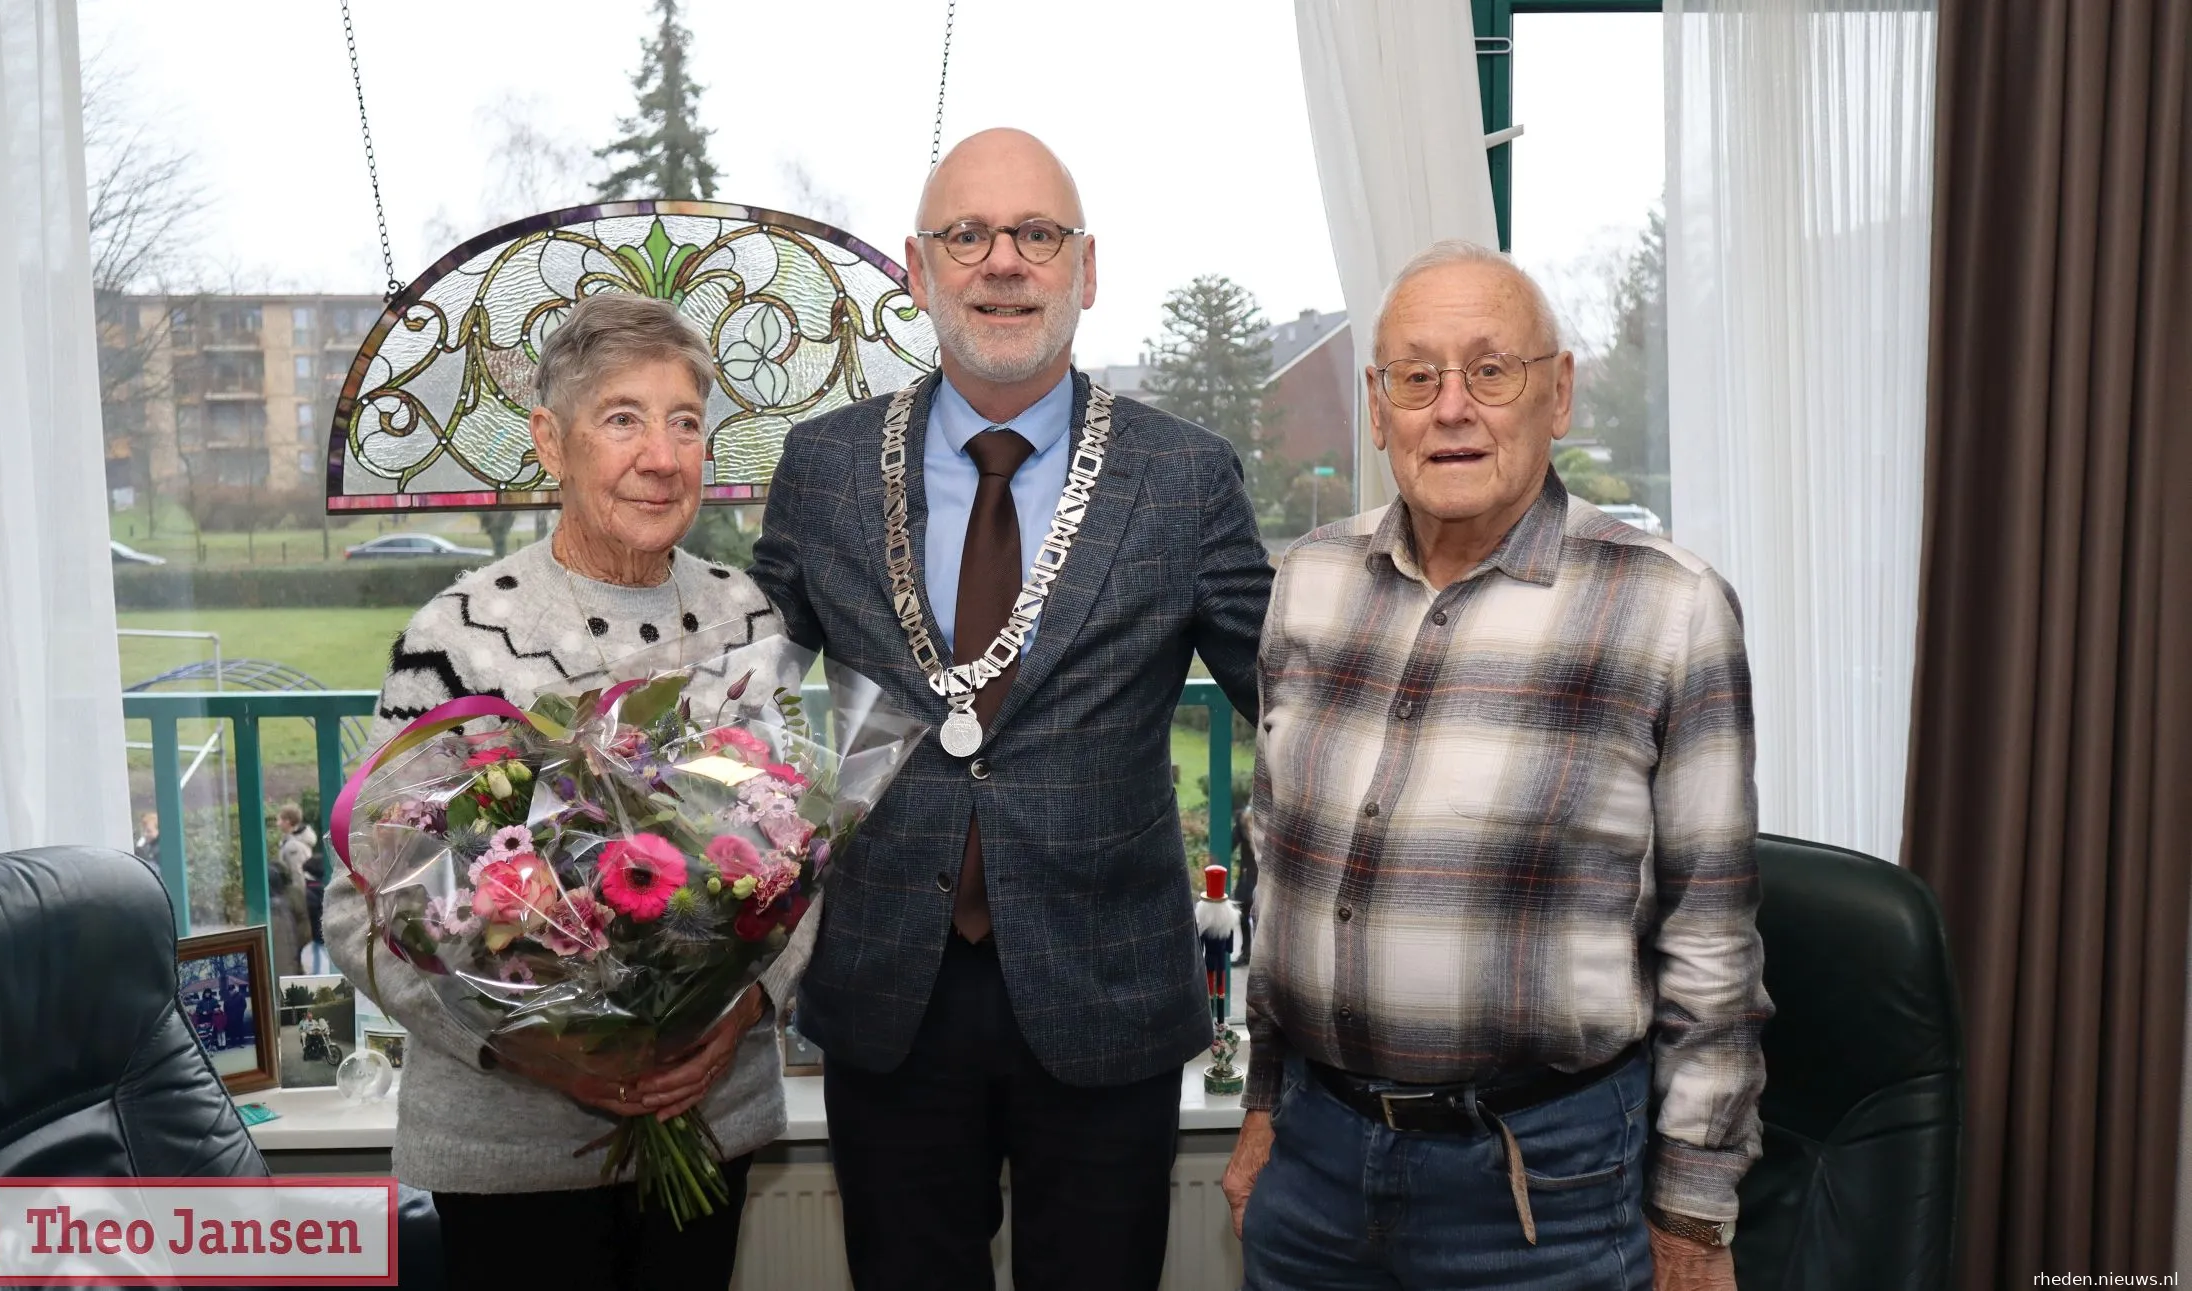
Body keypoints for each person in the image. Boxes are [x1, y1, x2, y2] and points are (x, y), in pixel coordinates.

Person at [748, 127, 1274, 1291]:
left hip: (1108, 995)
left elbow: (1293, 709)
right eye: (967, 235)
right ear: (914, 266)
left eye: (1036, 235)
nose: (1002, 262)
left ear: (1085, 269)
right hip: (888, 995)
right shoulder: (822, 467)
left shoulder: (1182, 476)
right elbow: (735, 708)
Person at [1221, 241, 1769, 1291]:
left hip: (1540, 1190)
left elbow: (1710, 940)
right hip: (1314, 1170)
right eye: (1415, 376)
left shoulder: (1667, 607)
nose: (1451, 407)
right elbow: (1273, 869)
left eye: (1489, 369)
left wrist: (1692, 1218)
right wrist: (1261, 1107)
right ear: (1377, 410)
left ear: (1555, 392)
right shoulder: (1310, 583)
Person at [323, 293, 796, 1291]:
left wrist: (745, 1004)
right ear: (550, 441)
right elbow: (363, 904)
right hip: (510, 1152)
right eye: (621, 418)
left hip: (703, 1123)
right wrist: (529, 1050)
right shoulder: (456, 635)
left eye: (685, 422)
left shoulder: (745, 617)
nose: (661, 456)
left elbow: (798, 857)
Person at [269, 804, 316, 976]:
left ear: (288, 822)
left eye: (280, 819)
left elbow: (298, 876)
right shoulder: (293, 843)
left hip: (297, 901)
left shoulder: (292, 847)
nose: (277, 823)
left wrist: (298, 902)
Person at [1229, 803, 1257, 966]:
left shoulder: (1272, 819)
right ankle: (1246, 953)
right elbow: (1230, 844)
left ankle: (1255, 955)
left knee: (1258, 917)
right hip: (1249, 877)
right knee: (1243, 914)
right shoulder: (1244, 820)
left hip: (1261, 877)